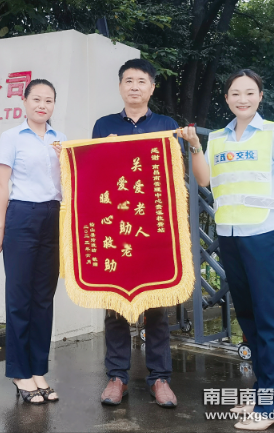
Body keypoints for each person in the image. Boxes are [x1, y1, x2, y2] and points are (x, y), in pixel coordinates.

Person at [181, 69, 274, 430]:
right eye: (235, 93)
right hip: (230, 235)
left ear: (260, 96)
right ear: (227, 98)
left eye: (249, 92)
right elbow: (205, 179)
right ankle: (264, 392)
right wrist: (195, 145)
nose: (242, 99)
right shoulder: (218, 137)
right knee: (248, 317)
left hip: (264, 235)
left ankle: (273, 406)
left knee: (270, 318)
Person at [93, 58, 183, 408]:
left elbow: (173, 175)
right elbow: (92, 173)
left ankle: (160, 378)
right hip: (115, 226)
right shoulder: (104, 125)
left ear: (152, 87)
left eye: (141, 81)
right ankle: (117, 377)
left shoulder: (166, 125)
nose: (134, 86)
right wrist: (104, 150)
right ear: (120, 87)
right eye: (128, 80)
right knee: (115, 305)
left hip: (153, 228)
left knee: (156, 306)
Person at [0, 79, 65, 405]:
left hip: (53, 216)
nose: (42, 105)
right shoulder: (12, 137)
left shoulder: (61, 140)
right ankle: (20, 373)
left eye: (48, 100)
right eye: (36, 99)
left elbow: (74, 181)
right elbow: (1, 185)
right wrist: (0, 227)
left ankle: (37, 370)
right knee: (20, 298)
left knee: (44, 299)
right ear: (24, 101)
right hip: (21, 217)